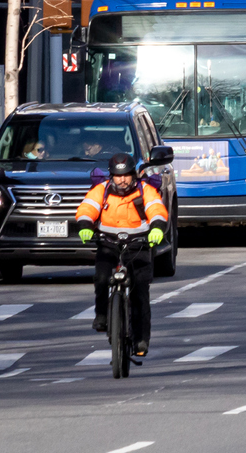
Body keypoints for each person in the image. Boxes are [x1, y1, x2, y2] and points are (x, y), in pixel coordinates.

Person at [74, 152, 171, 358]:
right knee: (101, 277)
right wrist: (85, 225)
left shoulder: (145, 190)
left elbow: (156, 208)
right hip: (109, 242)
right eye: (118, 176)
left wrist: (156, 228)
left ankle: (140, 339)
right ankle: (101, 315)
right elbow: (87, 207)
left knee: (140, 291)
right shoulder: (102, 189)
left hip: (139, 244)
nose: (122, 180)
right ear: (111, 176)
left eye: (126, 175)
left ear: (134, 175)